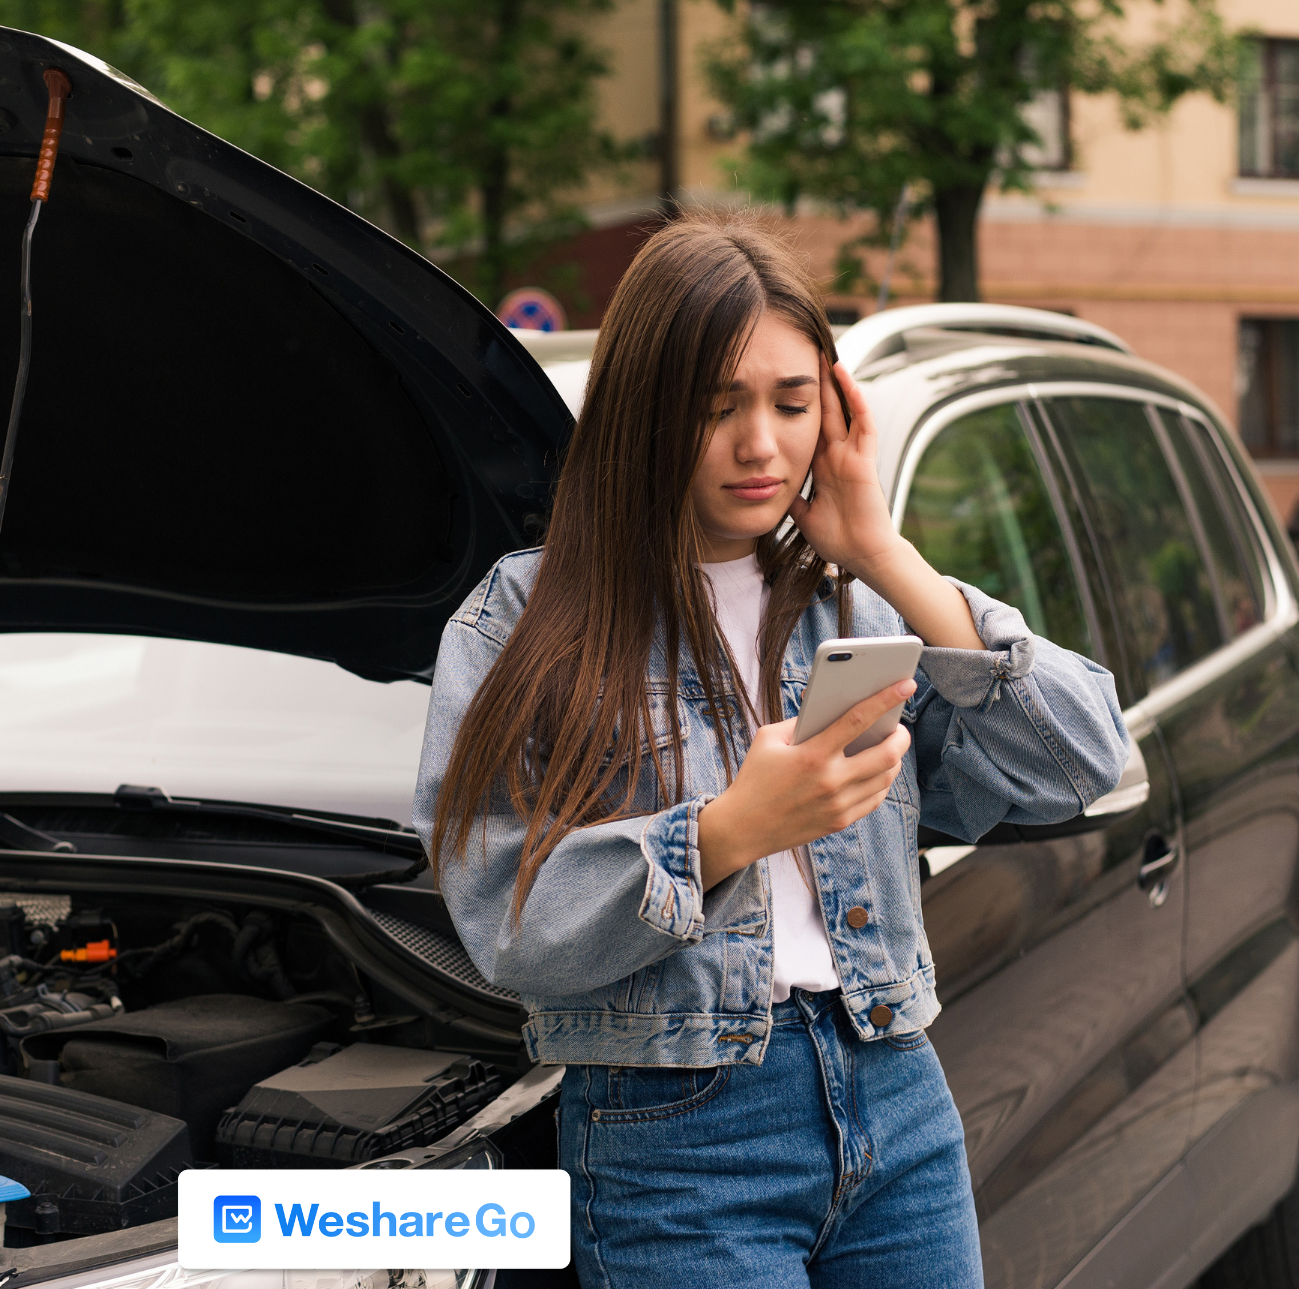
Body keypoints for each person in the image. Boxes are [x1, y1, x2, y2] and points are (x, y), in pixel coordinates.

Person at [412, 215, 1129, 1289]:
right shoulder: (522, 618)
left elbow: (1080, 757)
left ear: (833, 409)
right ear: (643, 414)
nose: (760, 444)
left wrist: (881, 547)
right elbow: (506, 921)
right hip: (677, 1133)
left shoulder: (850, 595)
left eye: (792, 404)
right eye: (716, 408)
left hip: (894, 1091)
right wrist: (733, 828)